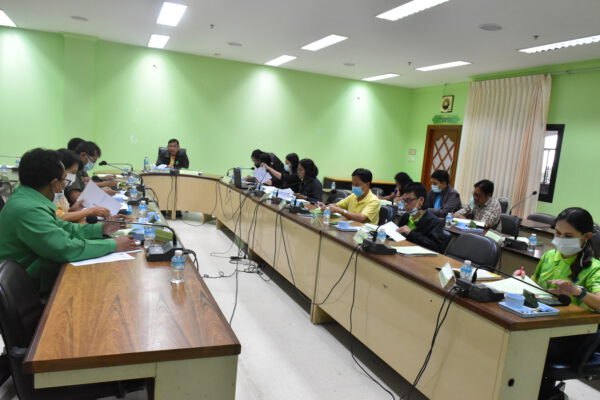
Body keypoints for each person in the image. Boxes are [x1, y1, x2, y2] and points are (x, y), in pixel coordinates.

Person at [0, 148, 138, 296]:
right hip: (28, 289)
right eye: (64, 180)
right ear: (54, 184)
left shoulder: (27, 197)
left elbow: (64, 227)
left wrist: (101, 229)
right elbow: (64, 248)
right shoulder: (28, 209)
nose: (64, 185)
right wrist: (113, 245)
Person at [513, 207, 600, 389]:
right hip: (541, 323)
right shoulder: (549, 256)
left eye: (568, 236)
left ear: (586, 237)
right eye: (558, 233)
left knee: (522, 348)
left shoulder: (594, 268)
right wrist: (522, 280)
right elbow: (536, 288)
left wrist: (578, 292)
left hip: (569, 335)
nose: (560, 239)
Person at [54, 149, 111, 222]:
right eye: (73, 172)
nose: (74, 177)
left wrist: (76, 207)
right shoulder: (51, 193)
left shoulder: (60, 191)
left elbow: (65, 212)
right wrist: (89, 211)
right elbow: (59, 218)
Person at [392, 183, 445, 253]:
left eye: (408, 200)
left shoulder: (434, 221)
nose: (405, 204)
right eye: (403, 200)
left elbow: (436, 248)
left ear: (421, 200)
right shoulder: (406, 216)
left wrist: (411, 233)